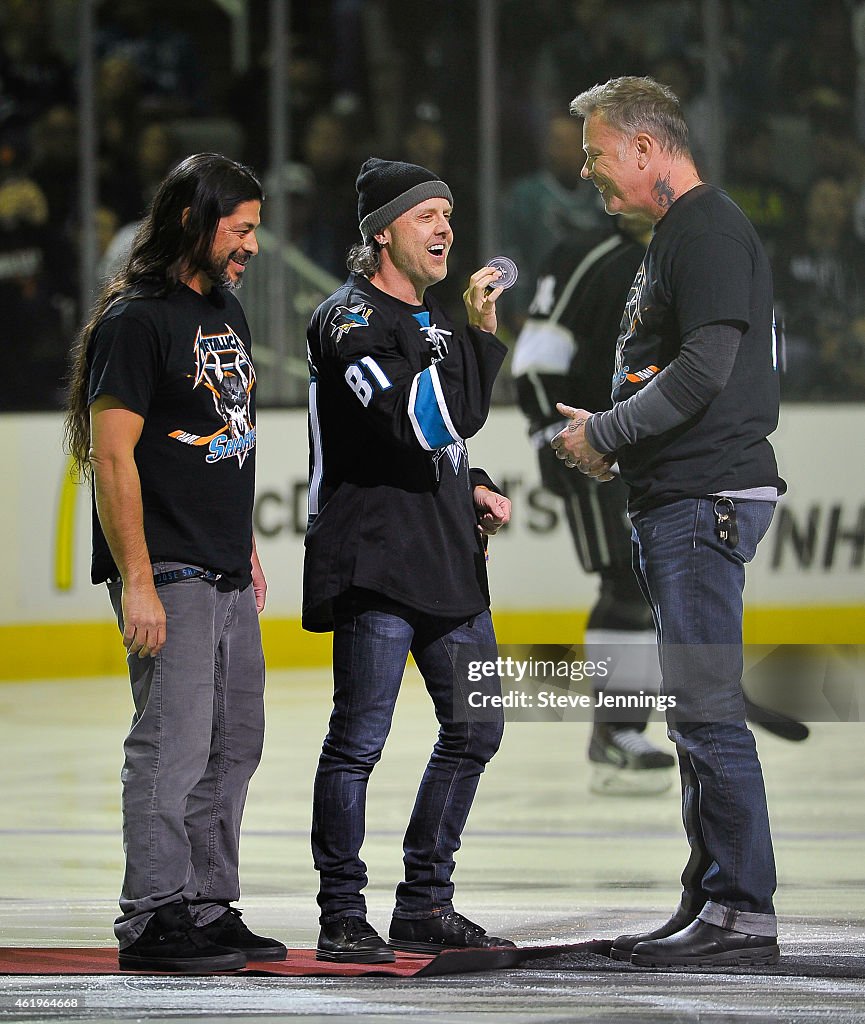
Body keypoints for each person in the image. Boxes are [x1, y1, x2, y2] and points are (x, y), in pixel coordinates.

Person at [553, 77, 786, 967]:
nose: (587, 173)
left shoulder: (709, 227)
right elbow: (677, 377)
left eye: (596, 154)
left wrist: (606, 433)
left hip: (703, 500)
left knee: (704, 713)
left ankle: (740, 916)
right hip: (677, 495)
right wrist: (617, 445)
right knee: (695, 711)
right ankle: (708, 901)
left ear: (647, 149)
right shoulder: (677, 235)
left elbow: (704, 370)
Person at [63, 153, 286, 973]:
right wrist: (141, 582)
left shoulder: (225, 311)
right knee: (171, 746)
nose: (252, 247)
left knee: (233, 745)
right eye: (241, 228)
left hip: (224, 567)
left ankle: (205, 903)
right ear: (194, 221)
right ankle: (154, 916)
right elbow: (113, 460)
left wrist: (247, 546)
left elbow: (225, 439)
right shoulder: (136, 320)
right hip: (172, 574)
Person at [304, 157, 514, 964]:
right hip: (375, 560)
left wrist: (475, 486)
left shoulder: (429, 324)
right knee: (359, 740)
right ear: (381, 231)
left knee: (476, 727)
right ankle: (340, 913)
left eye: (449, 214)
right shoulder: (346, 320)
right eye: (426, 214)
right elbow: (410, 419)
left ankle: (425, 904)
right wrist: (475, 333)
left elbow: (449, 436)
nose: (444, 228)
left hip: (444, 556)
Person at [511, 214, 676, 796]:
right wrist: (553, 437)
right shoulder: (584, 253)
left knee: (648, 580)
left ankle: (622, 730)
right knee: (627, 581)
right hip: (588, 444)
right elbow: (534, 360)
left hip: (650, 444)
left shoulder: (684, 250)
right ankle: (616, 733)